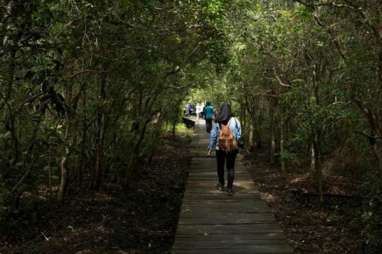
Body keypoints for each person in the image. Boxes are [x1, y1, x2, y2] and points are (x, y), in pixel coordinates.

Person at [208, 103, 241, 195]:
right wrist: (236, 143)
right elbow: (239, 135)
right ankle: (230, 188)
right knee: (230, 167)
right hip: (232, 148)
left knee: (220, 166)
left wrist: (210, 148)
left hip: (220, 147)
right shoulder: (235, 120)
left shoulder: (217, 120)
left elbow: (213, 135)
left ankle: (221, 184)